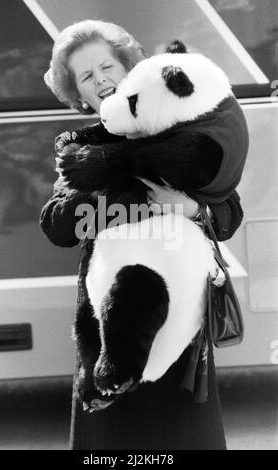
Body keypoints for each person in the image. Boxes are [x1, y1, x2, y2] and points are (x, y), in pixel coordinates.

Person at [40, 19, 246, 450]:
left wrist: (190, 208)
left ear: (127, 66)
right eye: (87, 76)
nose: (101, 80)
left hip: (182, 337)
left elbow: (229, 212)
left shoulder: (178, 126)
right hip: (108, 330)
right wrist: (124, 206)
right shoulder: (80, 151)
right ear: (78, 95)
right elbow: (58, 225)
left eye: (106, 66)